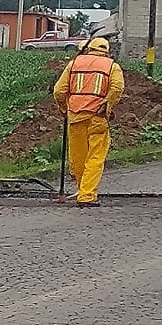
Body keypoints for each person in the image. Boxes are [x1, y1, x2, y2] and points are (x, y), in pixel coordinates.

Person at [53, 35, 124, 206]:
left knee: (78, 157)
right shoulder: (112, 66)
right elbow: (117, 88)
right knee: (95, 157)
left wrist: (64, 109)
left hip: (75, 116)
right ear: (106, 51)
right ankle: (86, 195)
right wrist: (106, 105)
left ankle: (82, 189)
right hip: (97, 117)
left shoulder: (74, 64)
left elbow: (58, 91)